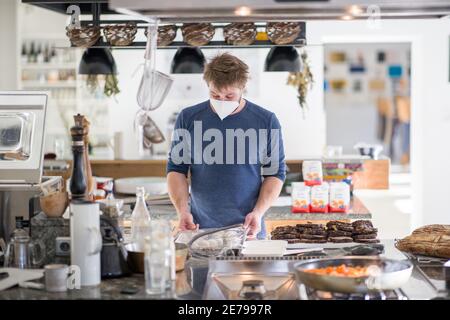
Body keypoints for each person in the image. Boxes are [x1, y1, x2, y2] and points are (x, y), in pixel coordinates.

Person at [167, 53, 286, 239]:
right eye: (215, 95)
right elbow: (176, 170)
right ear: (208, 86)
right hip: (199, 231)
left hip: (248, 230)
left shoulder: (266, 121)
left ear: (243, 88)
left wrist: (259, 212)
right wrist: (182, 211)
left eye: (230, 95)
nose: (222, 101)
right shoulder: (188, 118)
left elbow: (275, 173)